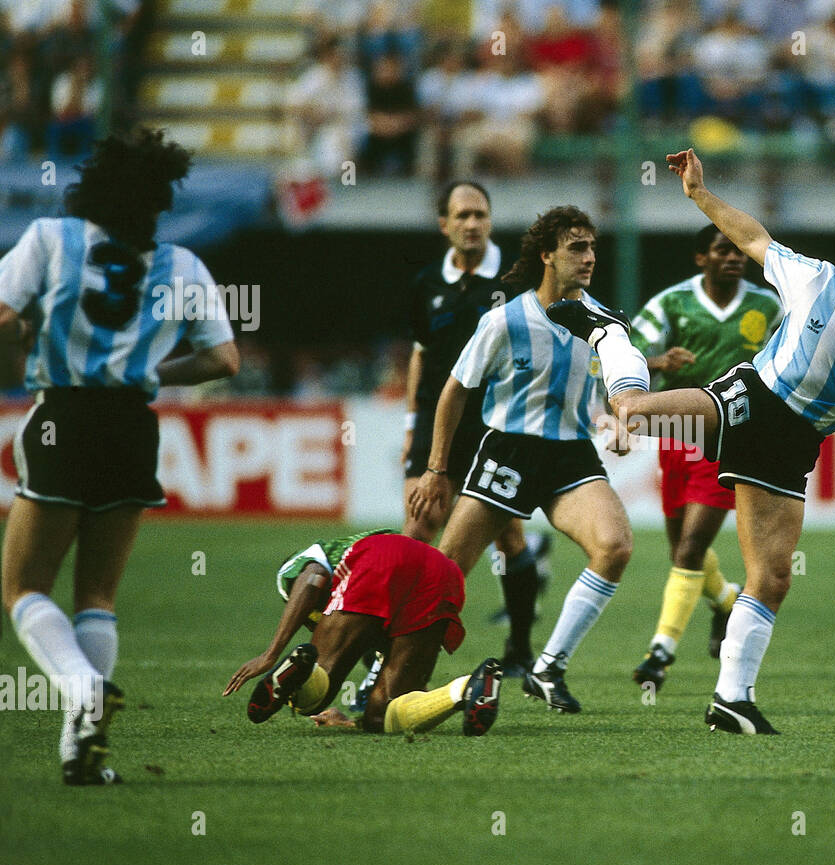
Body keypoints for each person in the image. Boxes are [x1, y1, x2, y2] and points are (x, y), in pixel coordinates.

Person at [552, 147, 835, 734]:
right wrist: (696, 193)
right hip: (753, 401)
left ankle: (730, 700)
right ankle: (608, 331)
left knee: (774, 576)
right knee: (634, 412)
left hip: (796, 443)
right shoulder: (813, 278)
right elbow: (751, 235)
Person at [0, 129, 240, 784]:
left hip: (64, 416)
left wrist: (19, 348)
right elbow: (224, 359)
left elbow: (2, 318)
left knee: (23, 586)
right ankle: (83, 750)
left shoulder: (52, 240)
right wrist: (151, 368)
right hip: (134, 426)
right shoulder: (184, 266)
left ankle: (80, 688)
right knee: (98, 595)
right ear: (158, 201)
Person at [408, 205, 640, 715]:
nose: (589, 257)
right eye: (577, 247)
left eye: (593, 247)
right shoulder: (504, 320)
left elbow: (618, 387)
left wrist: (620, 421)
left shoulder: (605, 322)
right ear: (548, 256)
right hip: (509, 452)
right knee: (446, 577)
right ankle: (391, 680)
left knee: (615, 546)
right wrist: (436, 468)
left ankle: (548, 668)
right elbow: (454, 392)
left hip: (570, 457)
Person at [403, 181, 549, 679]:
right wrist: (410, 427)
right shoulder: (426, 283)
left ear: (489, 220)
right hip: (434, 424)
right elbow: (420, 356)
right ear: (444, 223)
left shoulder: (516, 281)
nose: (471, 223)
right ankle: (398, 652)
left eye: (480, 214)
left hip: (494, 425)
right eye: (461, 215)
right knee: (418, 530)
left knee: (508, 539)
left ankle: (521, 650)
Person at [628, 224, 782, 691]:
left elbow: (791, 356)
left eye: (739, 251)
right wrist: (656, 364)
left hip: (731, 437)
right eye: (722, 250)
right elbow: (625, 353)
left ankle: (660, 652)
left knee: (692, 547)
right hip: (676, 433)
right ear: (702, 259)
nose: (734, 257)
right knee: (682, 551)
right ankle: (726, 598)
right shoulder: (672, 303)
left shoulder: (769, 307)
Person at [222, 530, 503, 736]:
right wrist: (350, 723)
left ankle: (298, 677)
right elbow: (408, 681)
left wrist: (270, 654)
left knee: (318, 691)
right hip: (443, 572)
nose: (311, 622)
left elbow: (314, 577)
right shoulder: (372, 624)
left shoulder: (300, 566)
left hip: (379, 559)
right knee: (382, 715)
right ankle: (466, 689)